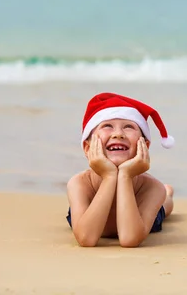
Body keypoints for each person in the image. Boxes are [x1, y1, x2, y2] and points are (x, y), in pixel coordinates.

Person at [66, 92, 176, 247]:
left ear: (144, 145)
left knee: (164, 205)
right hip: (88, 215)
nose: (118, 134)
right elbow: (86, 238)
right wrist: (109, 176)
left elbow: (129, 239)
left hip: (139, 217)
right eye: (107, 126)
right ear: (87, 147)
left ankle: (168, 193)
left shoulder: (151, 188)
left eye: (129, 127)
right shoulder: (79, 183)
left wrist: (124, 176)